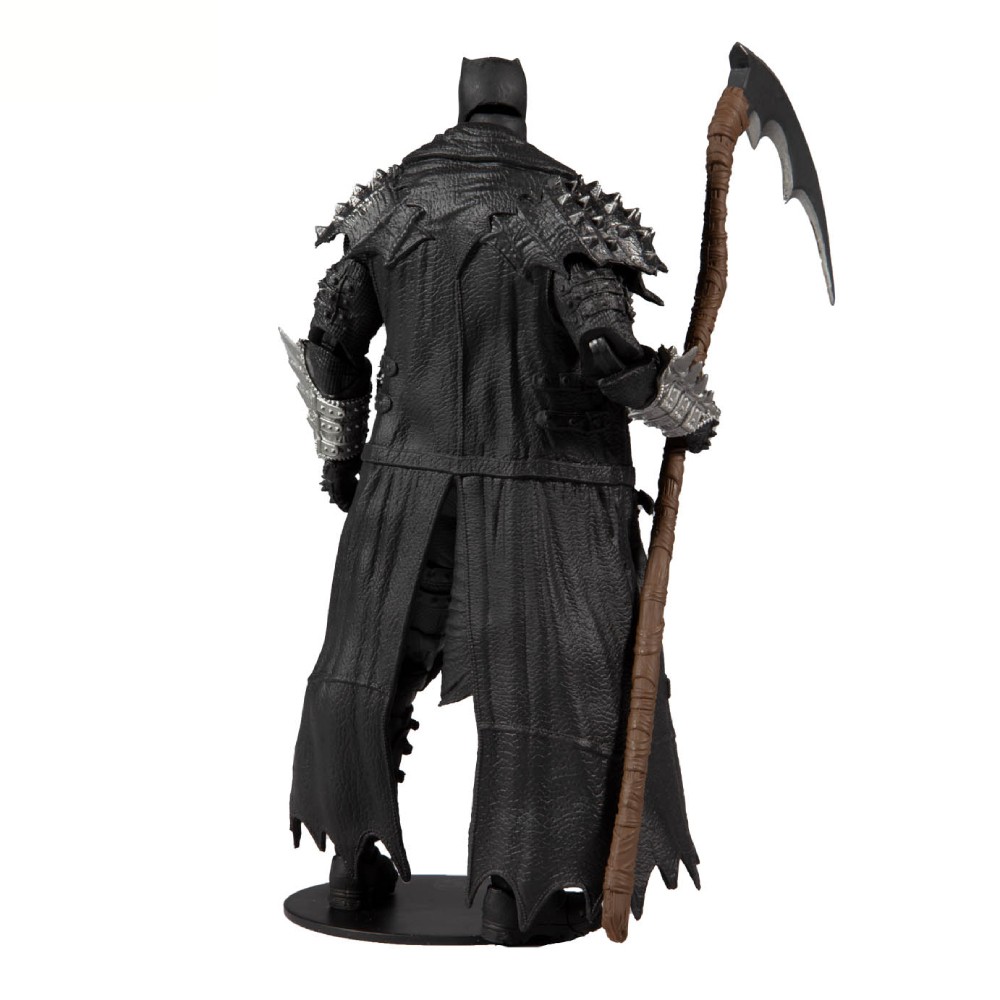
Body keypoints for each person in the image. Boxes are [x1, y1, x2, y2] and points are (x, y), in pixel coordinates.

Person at [282, 56, 718, 946]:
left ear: (462, 105)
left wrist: (341, 460)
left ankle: (353, 870)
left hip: (401, 492)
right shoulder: (566, 210)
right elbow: (607, 349)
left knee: (370, 674)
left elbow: (331, 343)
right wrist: (682, 408)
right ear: (520, 109)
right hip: (545, 507)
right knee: (549, 686)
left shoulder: (390, 203)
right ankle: (511, 894)